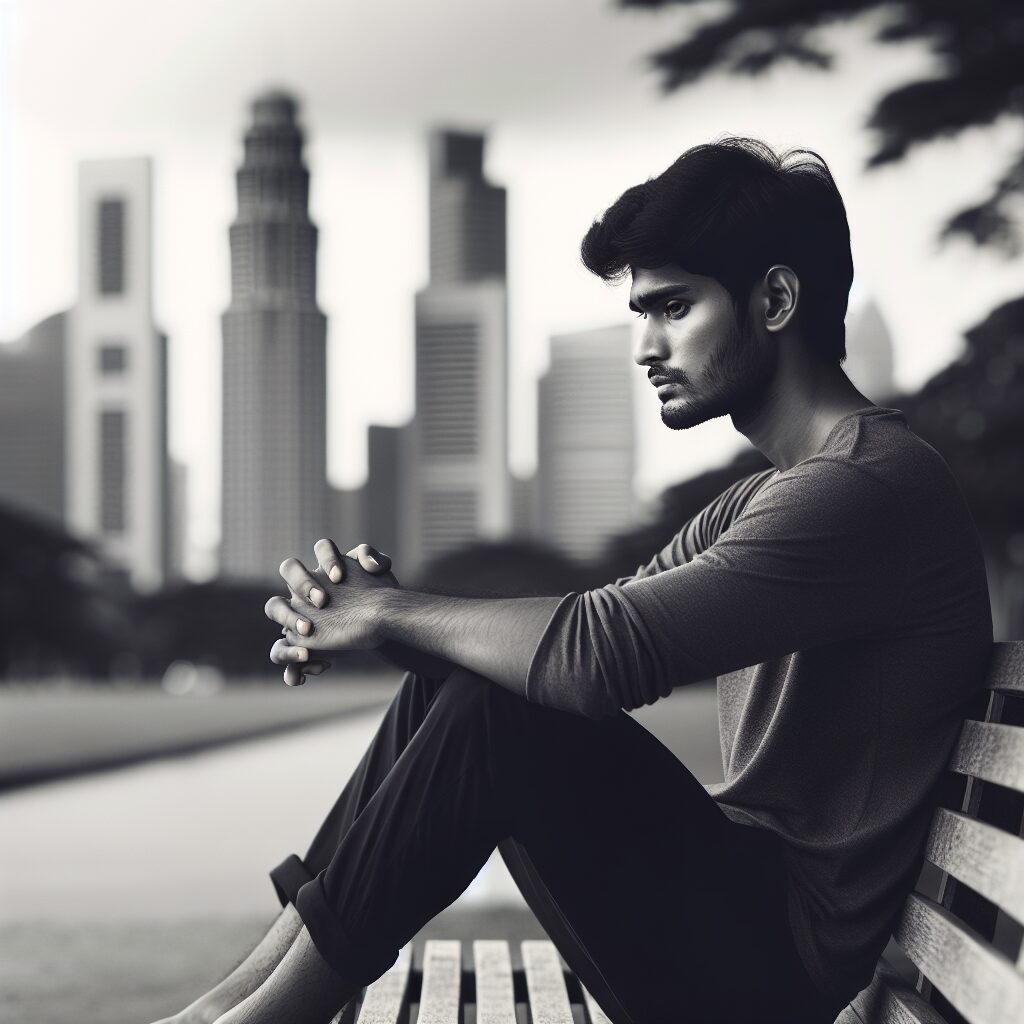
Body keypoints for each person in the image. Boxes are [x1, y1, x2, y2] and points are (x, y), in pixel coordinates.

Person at [153, 137, 992, 1024]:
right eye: (641, 313)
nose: (645, 347)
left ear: (776, 299)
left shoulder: (865, 487)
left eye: (673, 308)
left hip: (772, 971)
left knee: (507, 705)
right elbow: (577, 638)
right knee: (481, 678)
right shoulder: (772, 497)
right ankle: (230, 1006)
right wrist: (394, 624)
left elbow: (594, 659)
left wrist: (394, 611)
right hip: (741, 922)